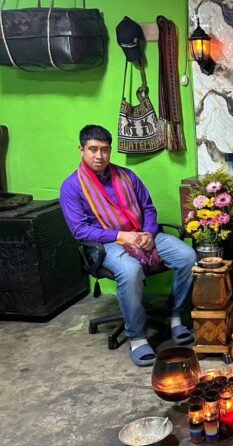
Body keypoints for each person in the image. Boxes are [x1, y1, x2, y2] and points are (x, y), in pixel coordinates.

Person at [60, 125, 196, 366]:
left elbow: (148, 208)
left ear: (110, 150)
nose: (99, 155)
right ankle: (138, 337)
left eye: (104, 149)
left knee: (188, 257)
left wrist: (149, 233)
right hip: (105, 243)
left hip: (142, 234)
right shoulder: (72, 187)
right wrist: (123, 235)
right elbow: (80, 230)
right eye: (93, 149)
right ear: (81, 150)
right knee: (130, 270)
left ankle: (176, 316)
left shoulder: (127, 176)